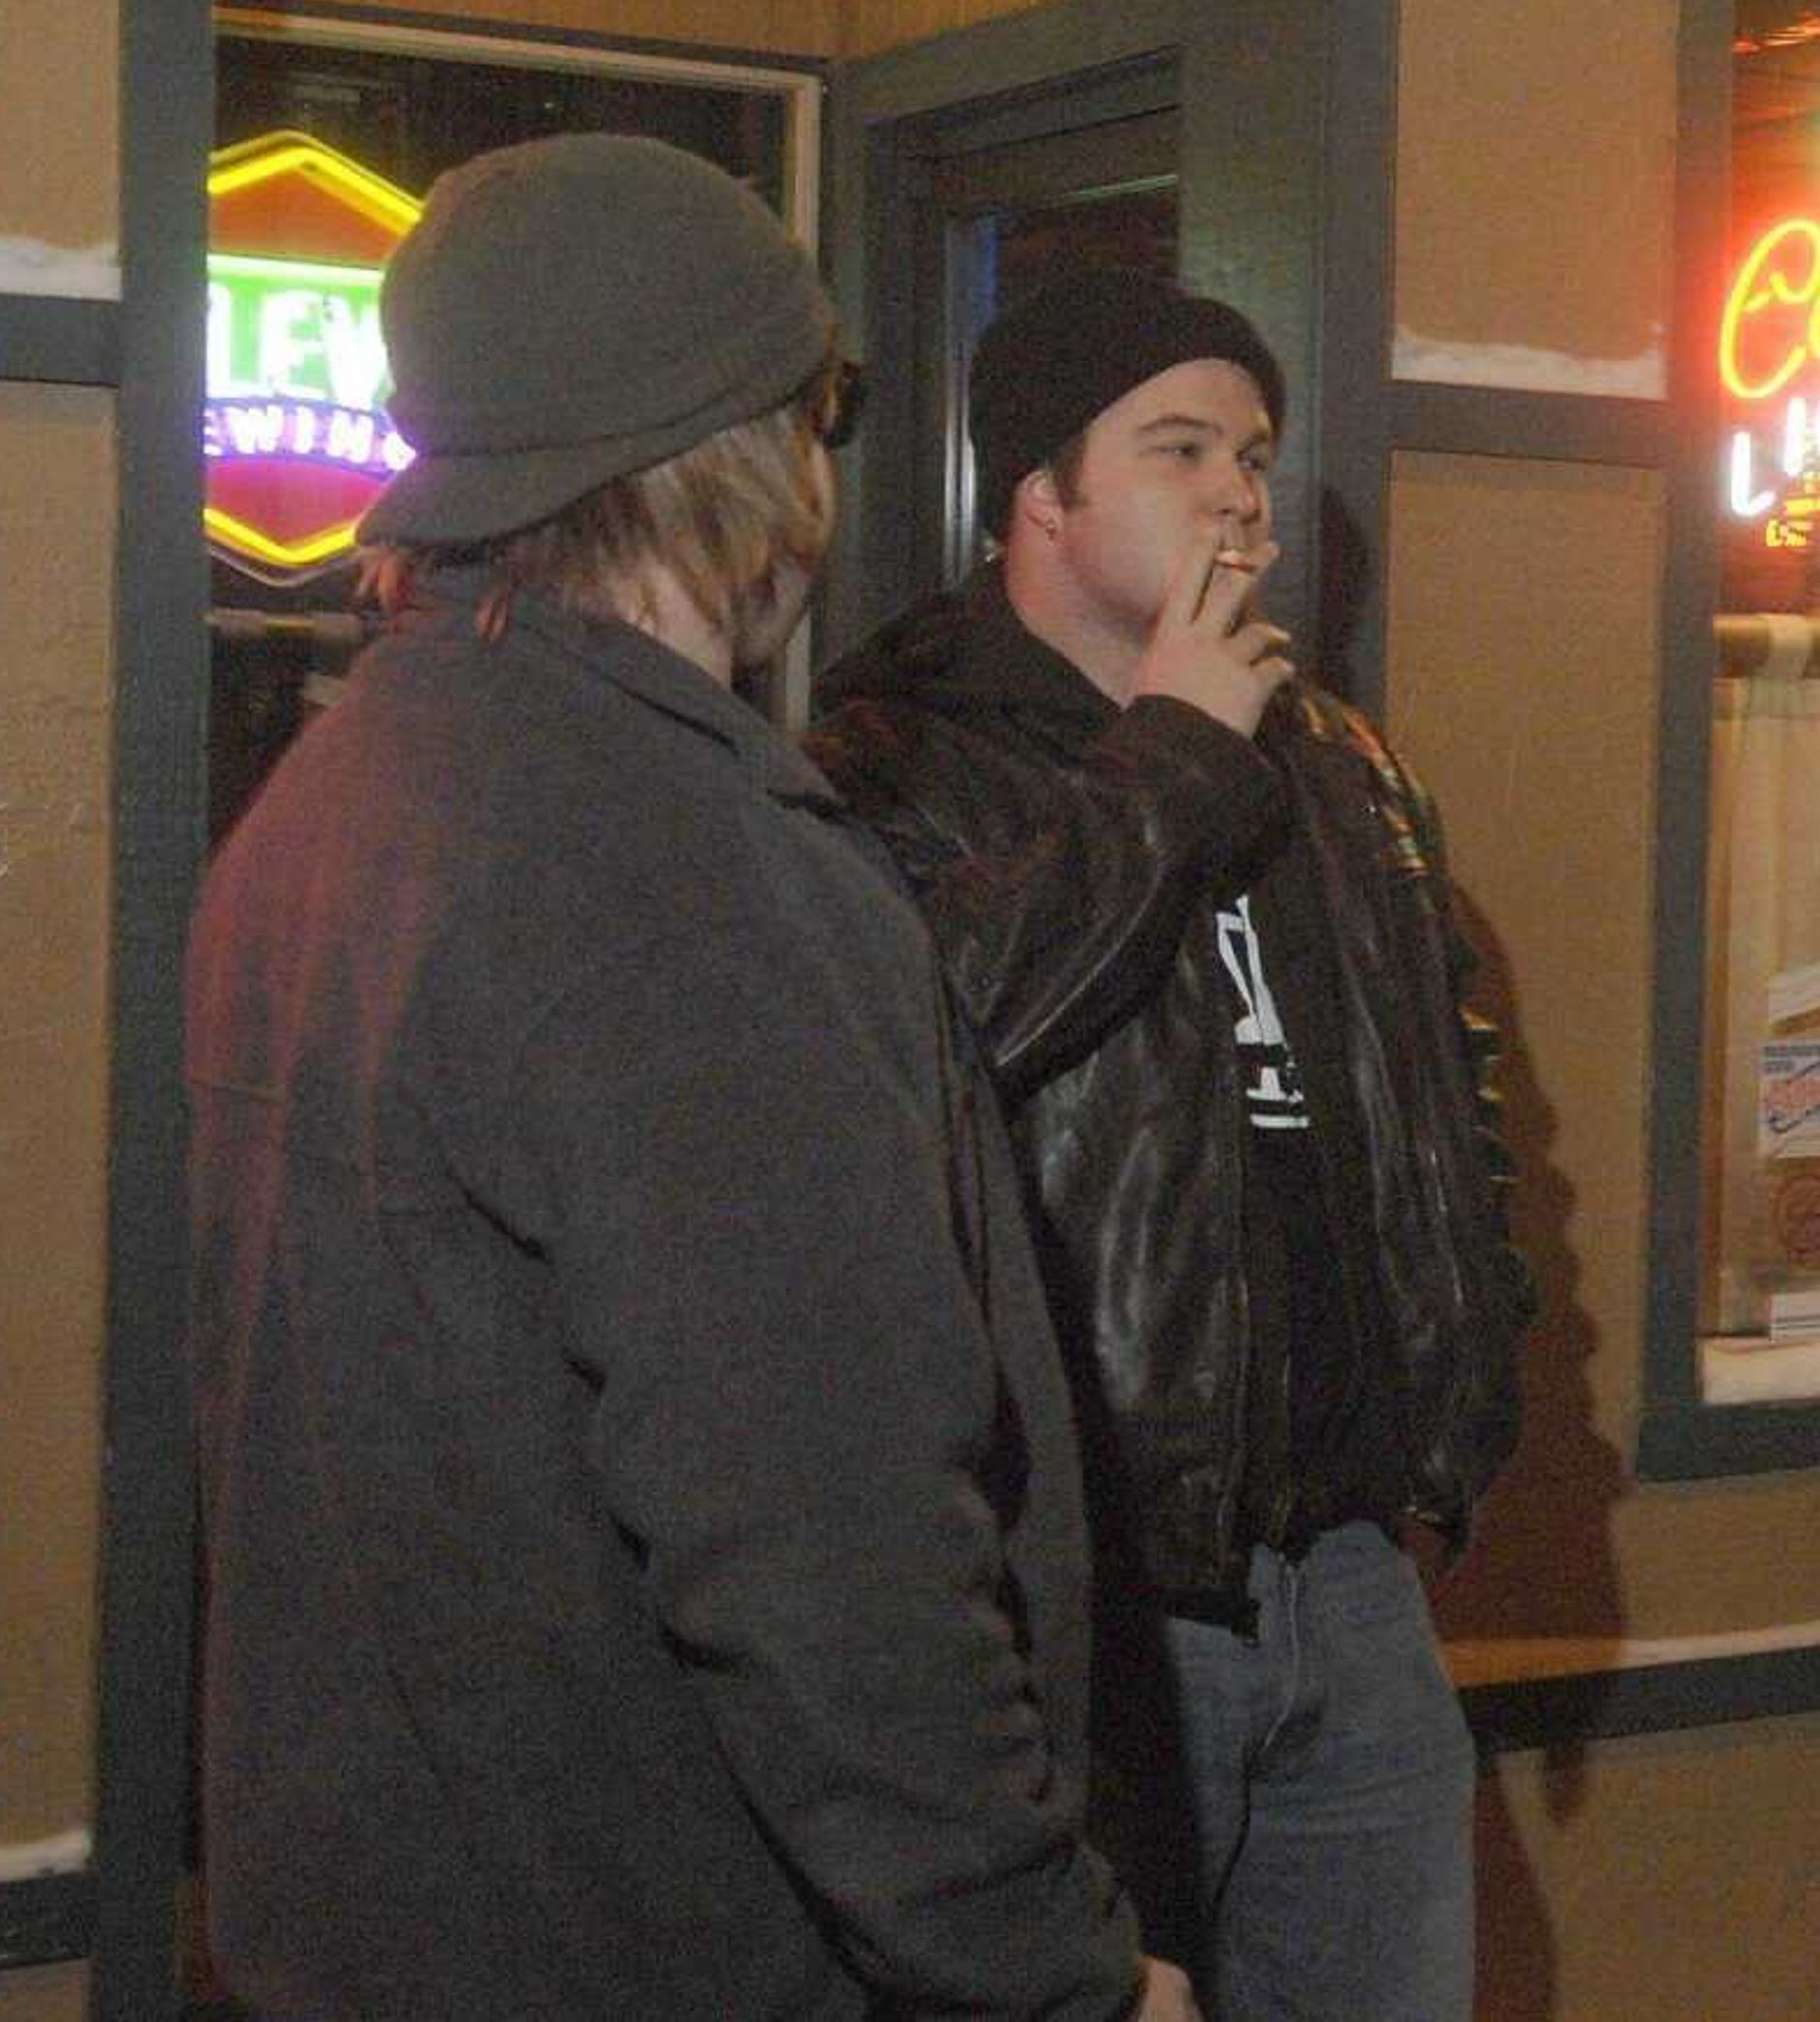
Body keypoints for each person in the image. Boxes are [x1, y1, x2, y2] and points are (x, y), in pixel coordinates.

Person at [187, 135, 1190, 2022]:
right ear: (753, 454)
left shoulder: (343, 798)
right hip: (661, 1949)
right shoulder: (671, 860)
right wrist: (1055, 1978)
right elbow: (827, 1558)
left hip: (383, 1931)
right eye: (825, 415)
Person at [808, 270, 1533, 2021]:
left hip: (1346, 1569)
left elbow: (1457, 1101)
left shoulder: (1343, 765)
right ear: (1037, 495)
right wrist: (1174, 751)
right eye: (1178, 446)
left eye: (1257, 453)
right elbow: (932, 1050)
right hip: (1097, 1577)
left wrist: (1472, 1370)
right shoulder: (884, 755)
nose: (1238, 492)